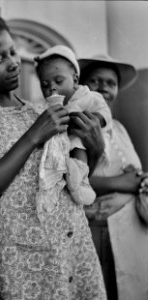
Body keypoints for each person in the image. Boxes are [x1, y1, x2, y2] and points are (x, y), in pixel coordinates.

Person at [0, 16, 107, 299]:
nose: (13, 62)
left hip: (74, 243)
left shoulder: (43, 109)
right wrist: (33, 137)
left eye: (12, 51)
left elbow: (75, 180)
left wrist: (94, 149)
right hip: (26, 257)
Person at [79, 54, 148, 300]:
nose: (103, 88)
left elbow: (132, 170)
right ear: (82, 86)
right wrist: (119, 183)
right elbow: (67, 183)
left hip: (131, 228)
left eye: (110, 82)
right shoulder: (75, 126)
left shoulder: (118, 127)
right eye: (95, 81)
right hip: (97, 229)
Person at [33, 46, 112, 217]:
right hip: (67, 143)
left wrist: (95, 119)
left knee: (77, 142)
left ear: (75, 79)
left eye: (58, 81)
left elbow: (105, 112)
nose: (52, 88)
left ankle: (80, 180)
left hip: (87, 136)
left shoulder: (88, 96)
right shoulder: (49, 108)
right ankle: (71, 175)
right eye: (45, 85)